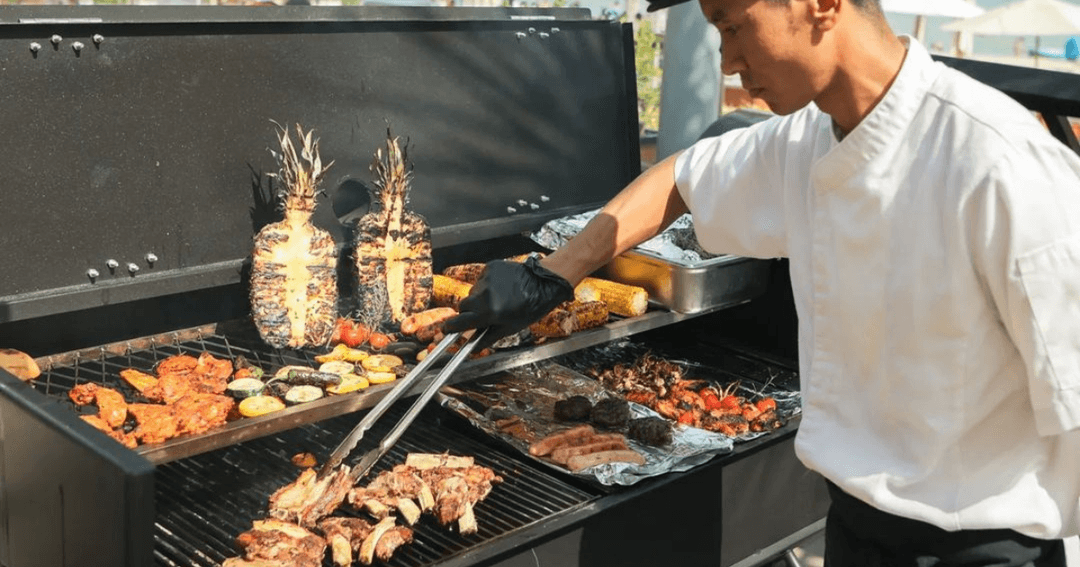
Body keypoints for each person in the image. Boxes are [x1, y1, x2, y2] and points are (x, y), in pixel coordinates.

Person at [443, 0, 1080, 565]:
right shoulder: (805, 140)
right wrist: (551, 275)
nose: (726, 63)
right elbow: (680, 181)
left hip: (984, 546)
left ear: (821, 5)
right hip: (857, 530)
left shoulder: (1001, 165)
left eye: (732, 26)